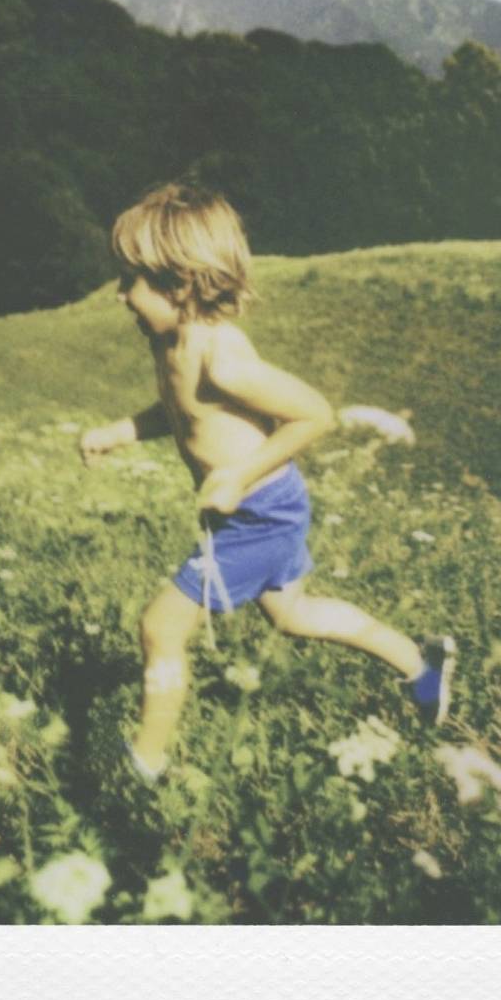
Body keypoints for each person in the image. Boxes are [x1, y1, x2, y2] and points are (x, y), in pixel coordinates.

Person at [79, 183, 455, 783]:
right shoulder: (169, 340)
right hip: (252, 509)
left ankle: (144, 764)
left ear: (180, 283)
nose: (122, 295)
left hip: (260, 512)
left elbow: (314, 413)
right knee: (293, 615)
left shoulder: (223, 358)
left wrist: (237, 474)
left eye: (133, 281)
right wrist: (123, 431)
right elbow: (181, 411)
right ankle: (422, 664)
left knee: (160, 625)